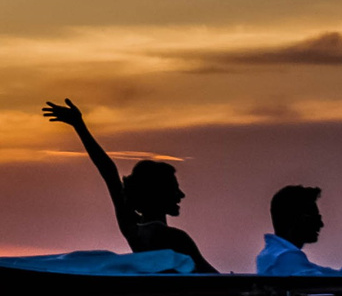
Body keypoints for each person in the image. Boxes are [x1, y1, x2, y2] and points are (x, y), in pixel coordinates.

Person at [40, 99, 215, 273]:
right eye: (174, 189)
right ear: (158, 193)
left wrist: (79, 126)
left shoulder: (134, 231)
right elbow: (215, 280)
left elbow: (109, 173)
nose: (181, 195)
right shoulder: (176, 239)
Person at [254, 184, 342, 276]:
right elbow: (327, 284)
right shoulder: (285, 258)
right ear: (294, 219)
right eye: (314, 218)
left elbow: (332, 275)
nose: (321, 224)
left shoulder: (275, 255)